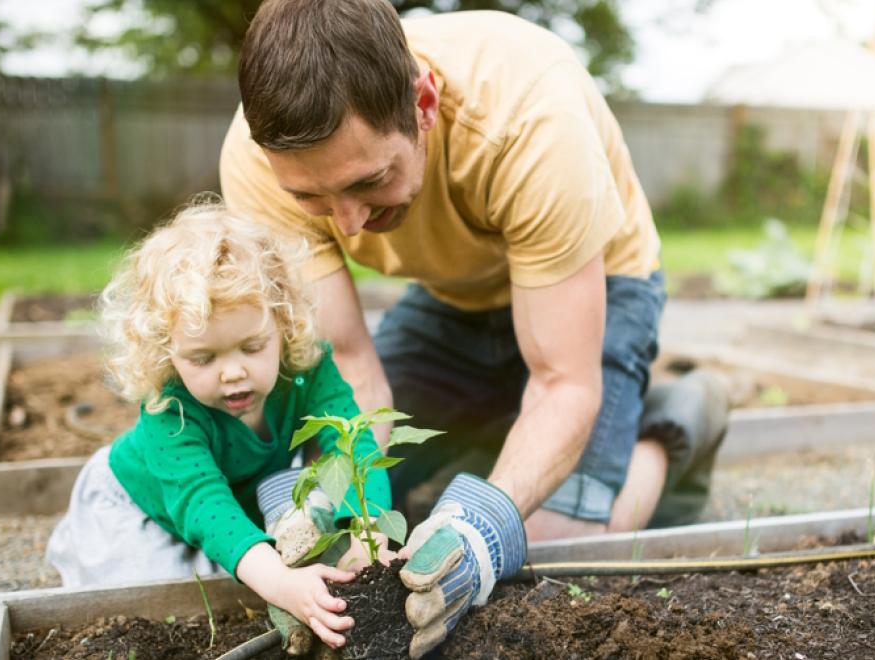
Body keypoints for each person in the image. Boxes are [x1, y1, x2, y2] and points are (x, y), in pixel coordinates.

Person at [221, 1, 729, 656]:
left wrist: (481, 530)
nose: (344, 224)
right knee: (362, 508)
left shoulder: (530, 117)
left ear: (423, 103)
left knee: (551, 542)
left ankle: (675, 421)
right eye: (311, 199)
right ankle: (500, 431)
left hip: (597, 285)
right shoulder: (258, 161)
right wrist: (319, 509)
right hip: (451, 296)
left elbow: (562, 383)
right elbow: (348, 363)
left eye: (370, 181)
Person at [45, 200, 391, 651]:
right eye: (203, 358)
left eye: (252, 347)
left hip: (232, 494)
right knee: (160, 606)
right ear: (164, 351)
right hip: (137, 508)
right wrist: (283, 586)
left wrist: (369, 533)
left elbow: (351, 440)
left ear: (282, 326)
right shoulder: (170, 411)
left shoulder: (306, 367)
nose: (232, 373)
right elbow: (203, 504)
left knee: (256, 565)